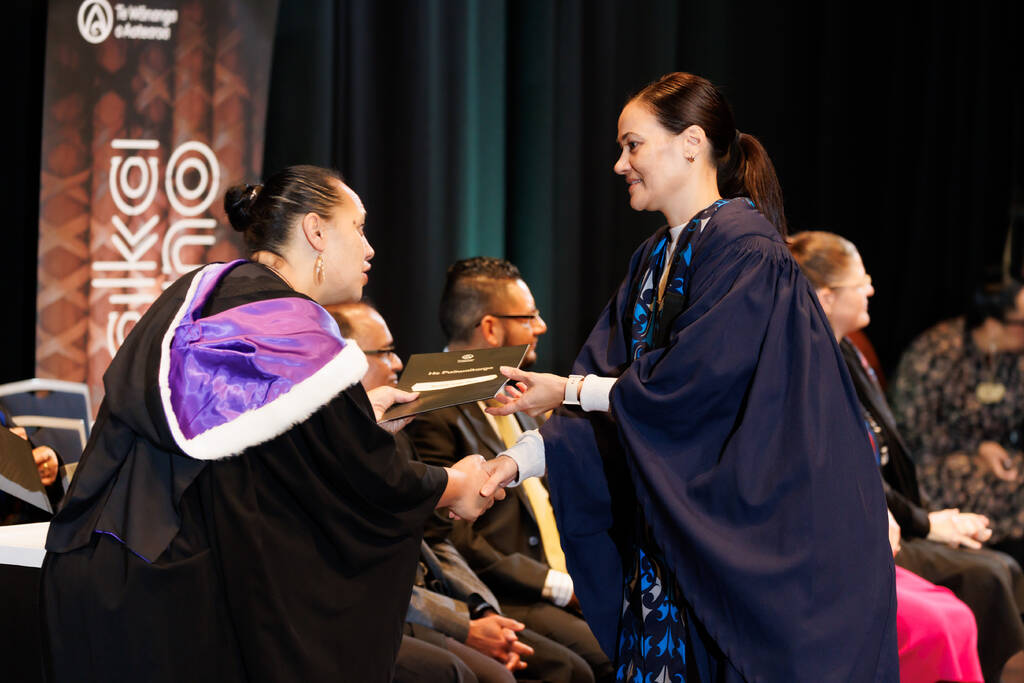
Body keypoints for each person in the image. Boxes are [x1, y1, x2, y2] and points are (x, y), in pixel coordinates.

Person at [481, 72, 898, 680]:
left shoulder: (748, 251)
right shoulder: (654, 258)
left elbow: (688, 392)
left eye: (632, 145)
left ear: (691, 142)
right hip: (675, 541)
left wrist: (568, 390)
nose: (619, 164)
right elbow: (613, 394)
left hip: (755, 540)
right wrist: (515, 462)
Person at [41, 165, 503, 683]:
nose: (369, 248)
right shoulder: (294, 328)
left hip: (100, 569)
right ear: (316, 231)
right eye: (358, 226)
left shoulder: (201, 294)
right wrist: (454, 484)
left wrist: (354, 414)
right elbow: (366, 480)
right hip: (180, 601)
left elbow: (250, 445)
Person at [790, 229, 1024, 681]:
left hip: (892, 509)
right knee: (986, 578)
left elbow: (877, 453)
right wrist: (927, 523)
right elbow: (854, 466)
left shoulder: (848, 353)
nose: (872, 288)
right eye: (861, 280)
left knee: (1000, 567)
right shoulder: (809, 368)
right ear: (824, 297)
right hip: (858, 528)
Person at [330, 300, 594, 683]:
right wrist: (466, 623)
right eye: (385, 352)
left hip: (454, 595)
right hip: (388, 610)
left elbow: (433, 539)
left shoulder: (399, 427)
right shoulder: (422, 415)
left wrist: (480, 609)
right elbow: (438, 534)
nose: (399, 364)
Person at [404, 259, 613, 682]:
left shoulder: (521, 393)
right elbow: (452, 533)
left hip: (558, 579)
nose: (542, 326)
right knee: (598, 661)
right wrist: (557, 585)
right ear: (491, 328)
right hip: (501, 591)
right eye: (529, 316)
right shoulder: (429, 405)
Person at [890, 278, 1024, 551]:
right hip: (929, 466)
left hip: (996, 457)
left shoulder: (1014, 358)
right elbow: (911, 432)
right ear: (993, 323)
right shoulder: (936, 354)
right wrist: (976, 449)